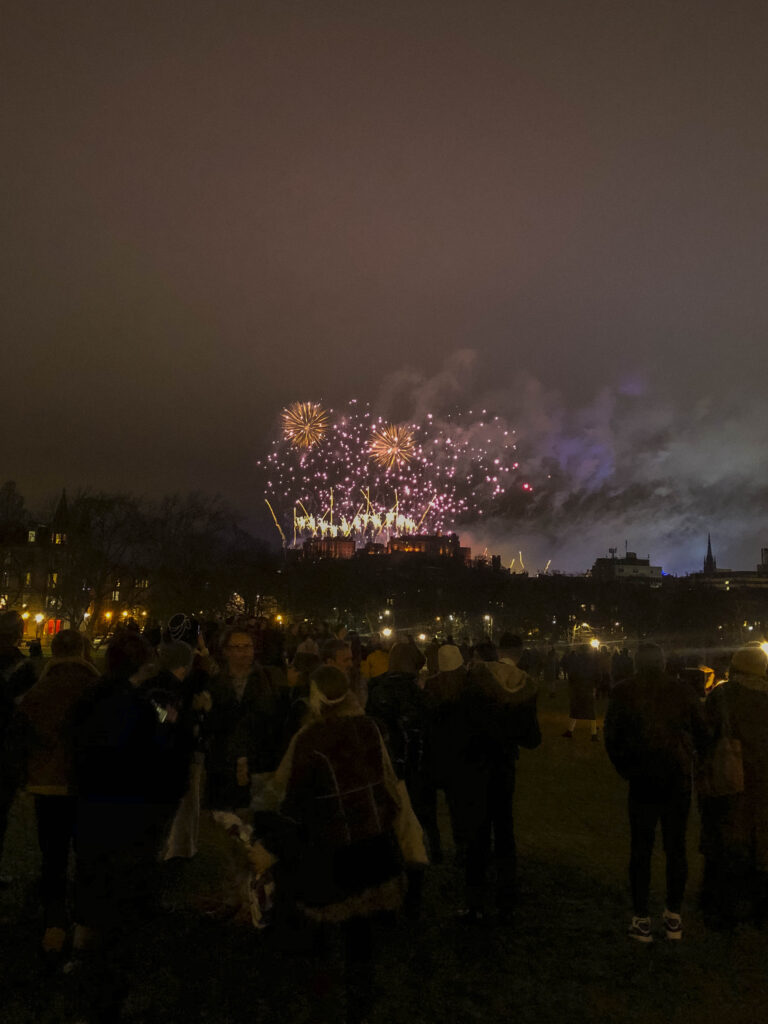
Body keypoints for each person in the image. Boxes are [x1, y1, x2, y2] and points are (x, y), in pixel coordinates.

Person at [248, 665, 427, 1024]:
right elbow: (388, 781)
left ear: (315, 696)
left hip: (332, 849)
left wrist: (258, 803)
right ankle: (360, 1002)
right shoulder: (369, 729)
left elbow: (288, 794)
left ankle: (325, 1002)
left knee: (321, 936)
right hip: (373, 845)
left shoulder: (310, 738)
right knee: (361, 934)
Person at [604, 643, 708, 942]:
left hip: (642, 778)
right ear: (663, 663)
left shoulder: (624, 691)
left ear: (636, 663)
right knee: (676, 848)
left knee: (641, 849)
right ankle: (673, 916)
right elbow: (703, 733)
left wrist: (627, 768)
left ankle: (641, 918)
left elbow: (612, 737)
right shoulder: (683, 691)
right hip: (676, 778)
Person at [13, 629, 100, 958]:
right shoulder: (96, 689)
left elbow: (22, 737)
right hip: (88, 786)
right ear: (82, 649)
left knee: (53, 857)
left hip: (48, 786)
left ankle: (54, 923)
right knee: (88, 854)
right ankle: (84, 923)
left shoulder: (38, 692)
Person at [699, 645, 768, 928]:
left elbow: (704, 734)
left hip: (730, 779)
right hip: (764, 785)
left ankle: (721, 907)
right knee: (761, 845)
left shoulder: (723, 696)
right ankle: (759, 908)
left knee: (724, 841)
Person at [206, 626, 285, 813]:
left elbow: (275, 717)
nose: (244, 652)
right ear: (226, 652)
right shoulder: (214, 683)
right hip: (225, 765)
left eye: (247, 646)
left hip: (261, 761)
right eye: (237, 647)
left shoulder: (269, 679)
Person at [562, 644, 600, 740]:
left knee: (575, 709)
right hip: (588, 688)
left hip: (578, 688)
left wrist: (572, 685)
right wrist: (595, 686)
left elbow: (572, 674)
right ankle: (593, 734)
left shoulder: (576, 661)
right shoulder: (593, 661)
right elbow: (597, 675)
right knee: (590, 711)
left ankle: (570, 731)